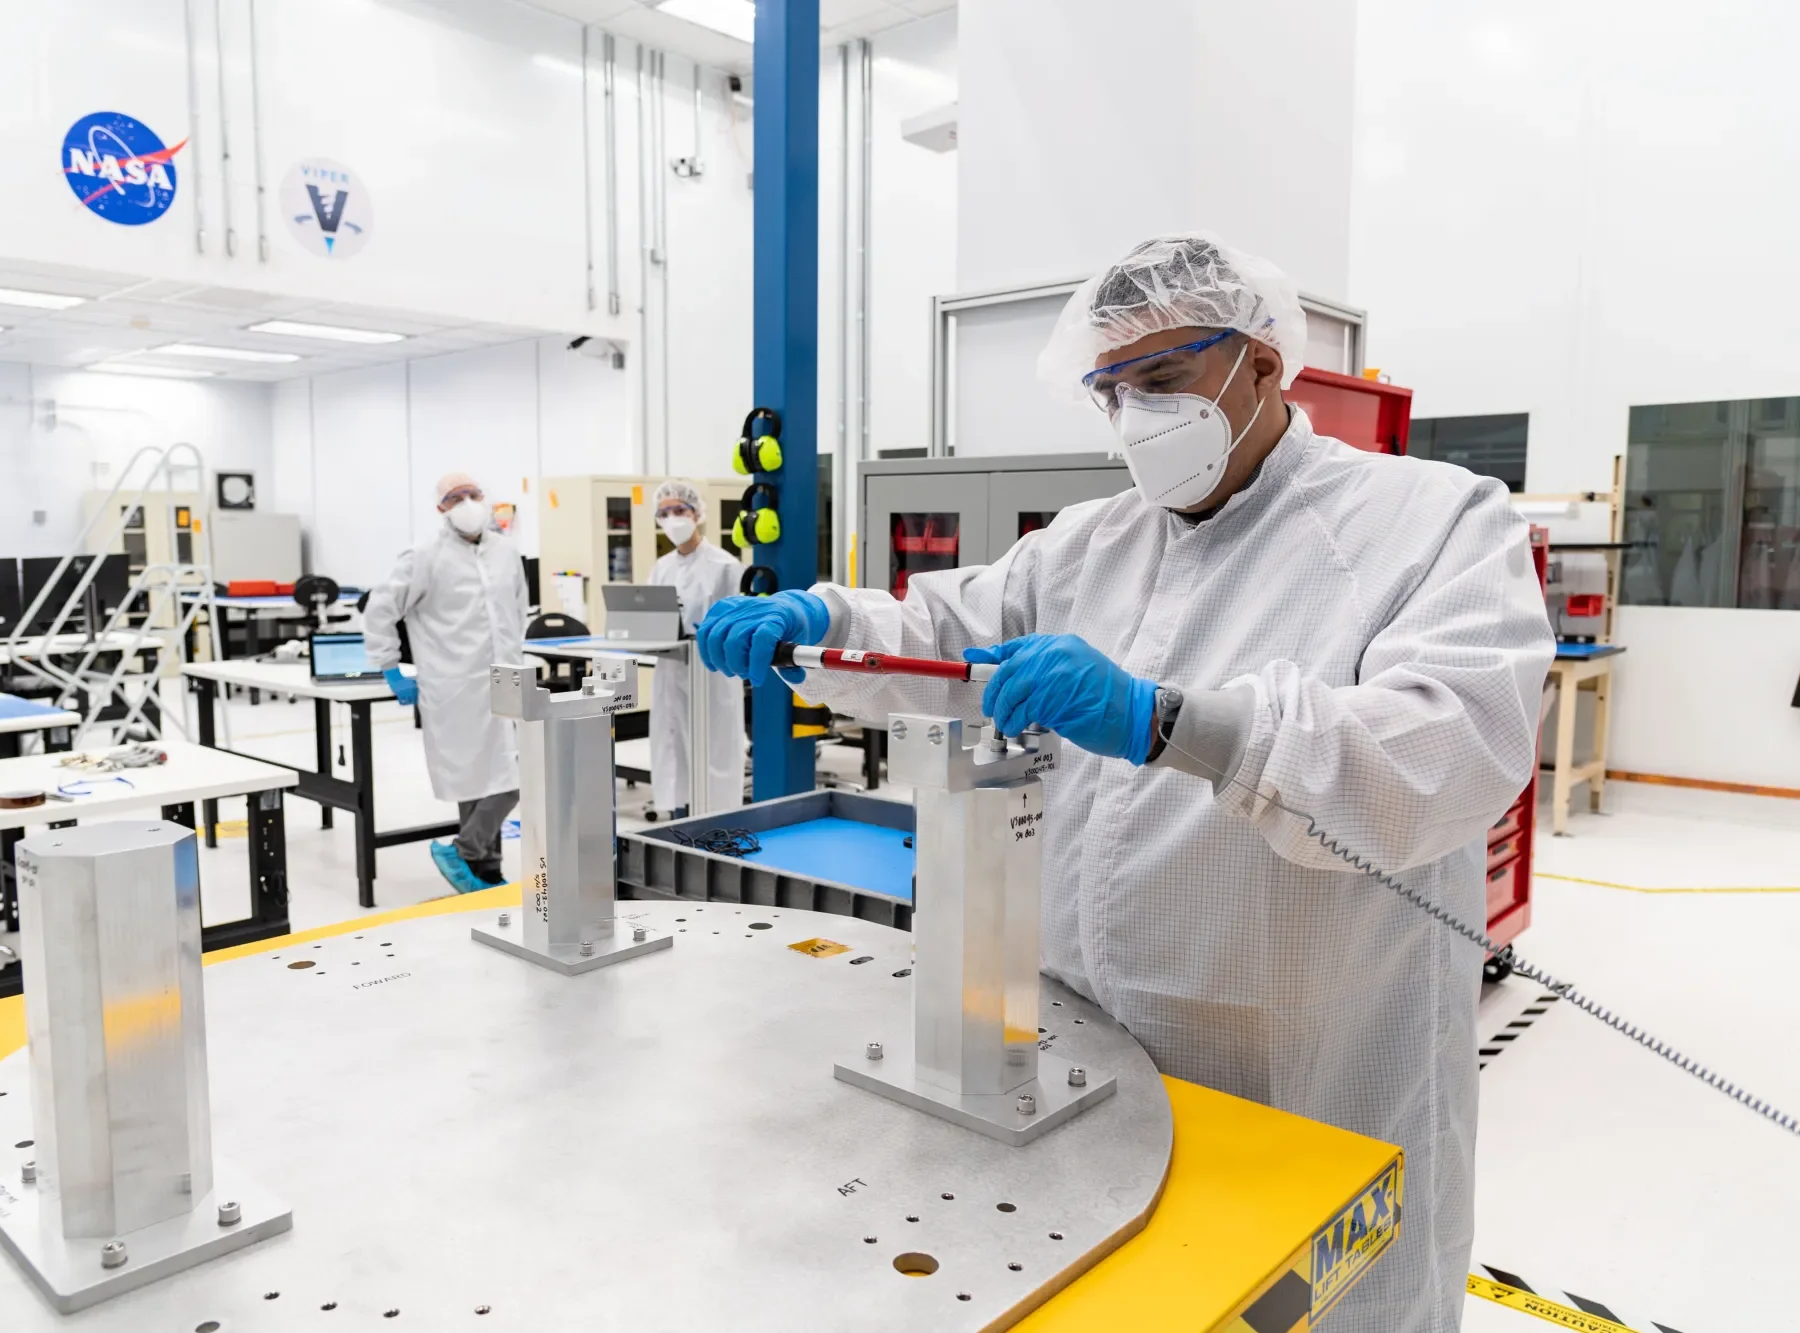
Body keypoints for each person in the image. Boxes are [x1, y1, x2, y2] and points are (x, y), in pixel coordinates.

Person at [697, 233, 1553, 1333]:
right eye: (1109, 392)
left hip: (1302, 1055)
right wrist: (824, 622)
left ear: (1258, 363)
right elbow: (942, 635)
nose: (1134, 415)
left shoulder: (1427, 519)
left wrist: (1170, 721)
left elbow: (1445, 750)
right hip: (1087, 1049)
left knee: (1307, 1309)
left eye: (1160, 379)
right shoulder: (1085, 546)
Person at [363, 471, 529, 893]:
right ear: (441, 509)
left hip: (504, 679)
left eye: (473, 493)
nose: (468, 502)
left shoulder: (506, 553)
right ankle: (477, 861)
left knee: (508, 773)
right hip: (453, 685)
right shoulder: (424, 555)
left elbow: (517, 611)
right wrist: (389, 665)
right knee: (476, 778)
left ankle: (478, 862)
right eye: (456, 497)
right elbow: (381, 608)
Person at [647, 482, 746, 818]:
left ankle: (718, 822)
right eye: (664, 513)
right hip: (671, 670)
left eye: (680, 510)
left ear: (697, 513)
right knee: (672, 743)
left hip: (711, 672)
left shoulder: (725, 565)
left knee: (713, 748)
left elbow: (737, 625)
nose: (673, 518)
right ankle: (677, 815)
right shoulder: (661, 567)